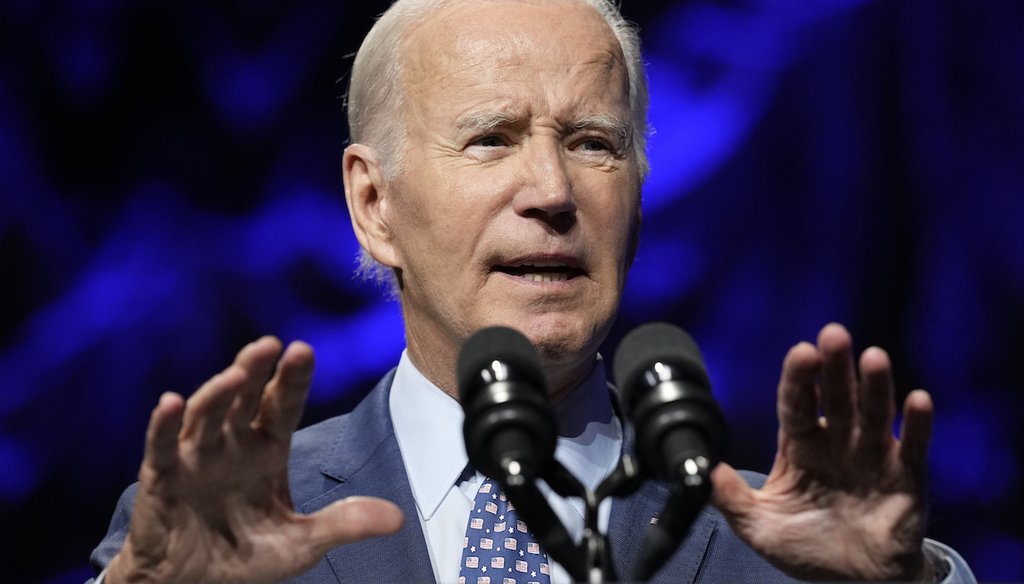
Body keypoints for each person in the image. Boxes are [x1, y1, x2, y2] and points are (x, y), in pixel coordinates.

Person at [89, 0, 976, 582]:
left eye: (594, 142)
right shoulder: (225, 527)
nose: (553, 191)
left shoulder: (780, 547)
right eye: (492, 140)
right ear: (373, 203)